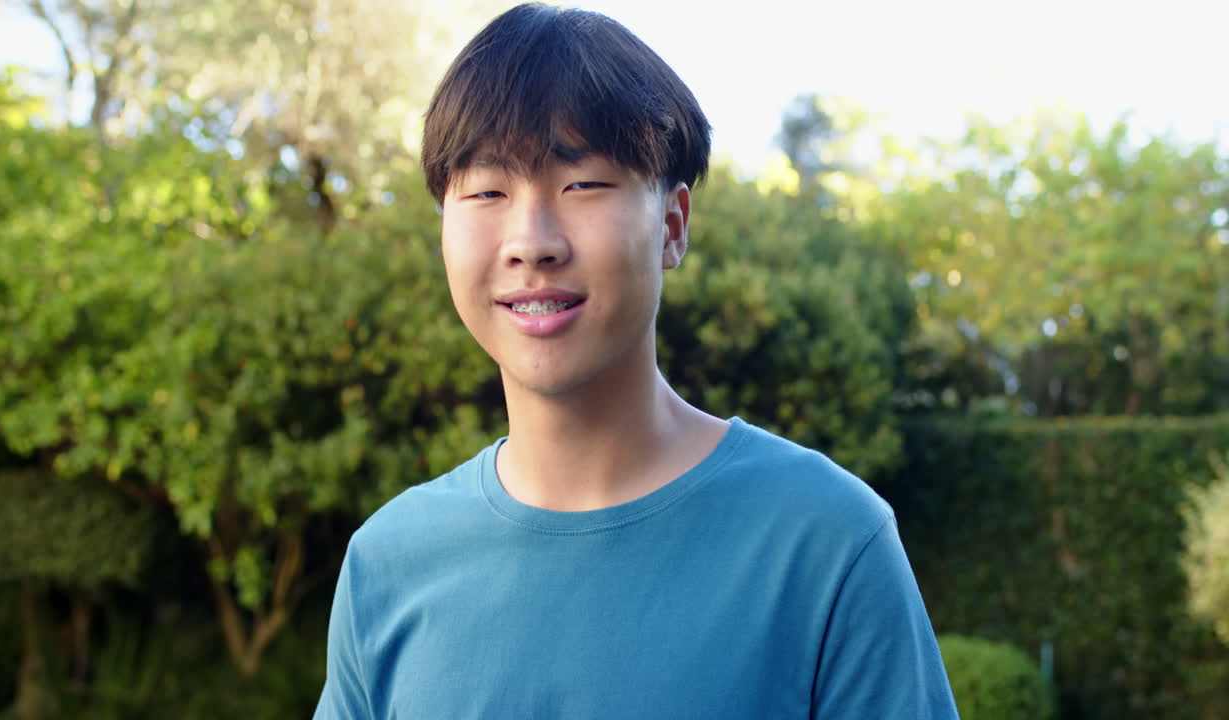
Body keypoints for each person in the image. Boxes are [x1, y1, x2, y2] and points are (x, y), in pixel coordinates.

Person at [313, 4, 959, 718]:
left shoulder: (826, 541)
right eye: (488, 191)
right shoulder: (389, 563)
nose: (533, 241)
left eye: (582, 183)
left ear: (672, 227)